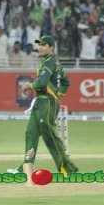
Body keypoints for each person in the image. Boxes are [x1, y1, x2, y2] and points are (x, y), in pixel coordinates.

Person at [7, 35, 78, 183]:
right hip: (41, 102)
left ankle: (67, 168)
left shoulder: (50, 62)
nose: (40, 47)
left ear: (52, 47)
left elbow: (42, 82)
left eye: (43, 45)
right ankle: (25, 168)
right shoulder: (53, 62)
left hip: (47, 105)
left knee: (50, 137)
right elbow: (66, 81)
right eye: (39, 45)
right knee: (30, 134)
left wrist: (29, 86)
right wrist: (59, 94)